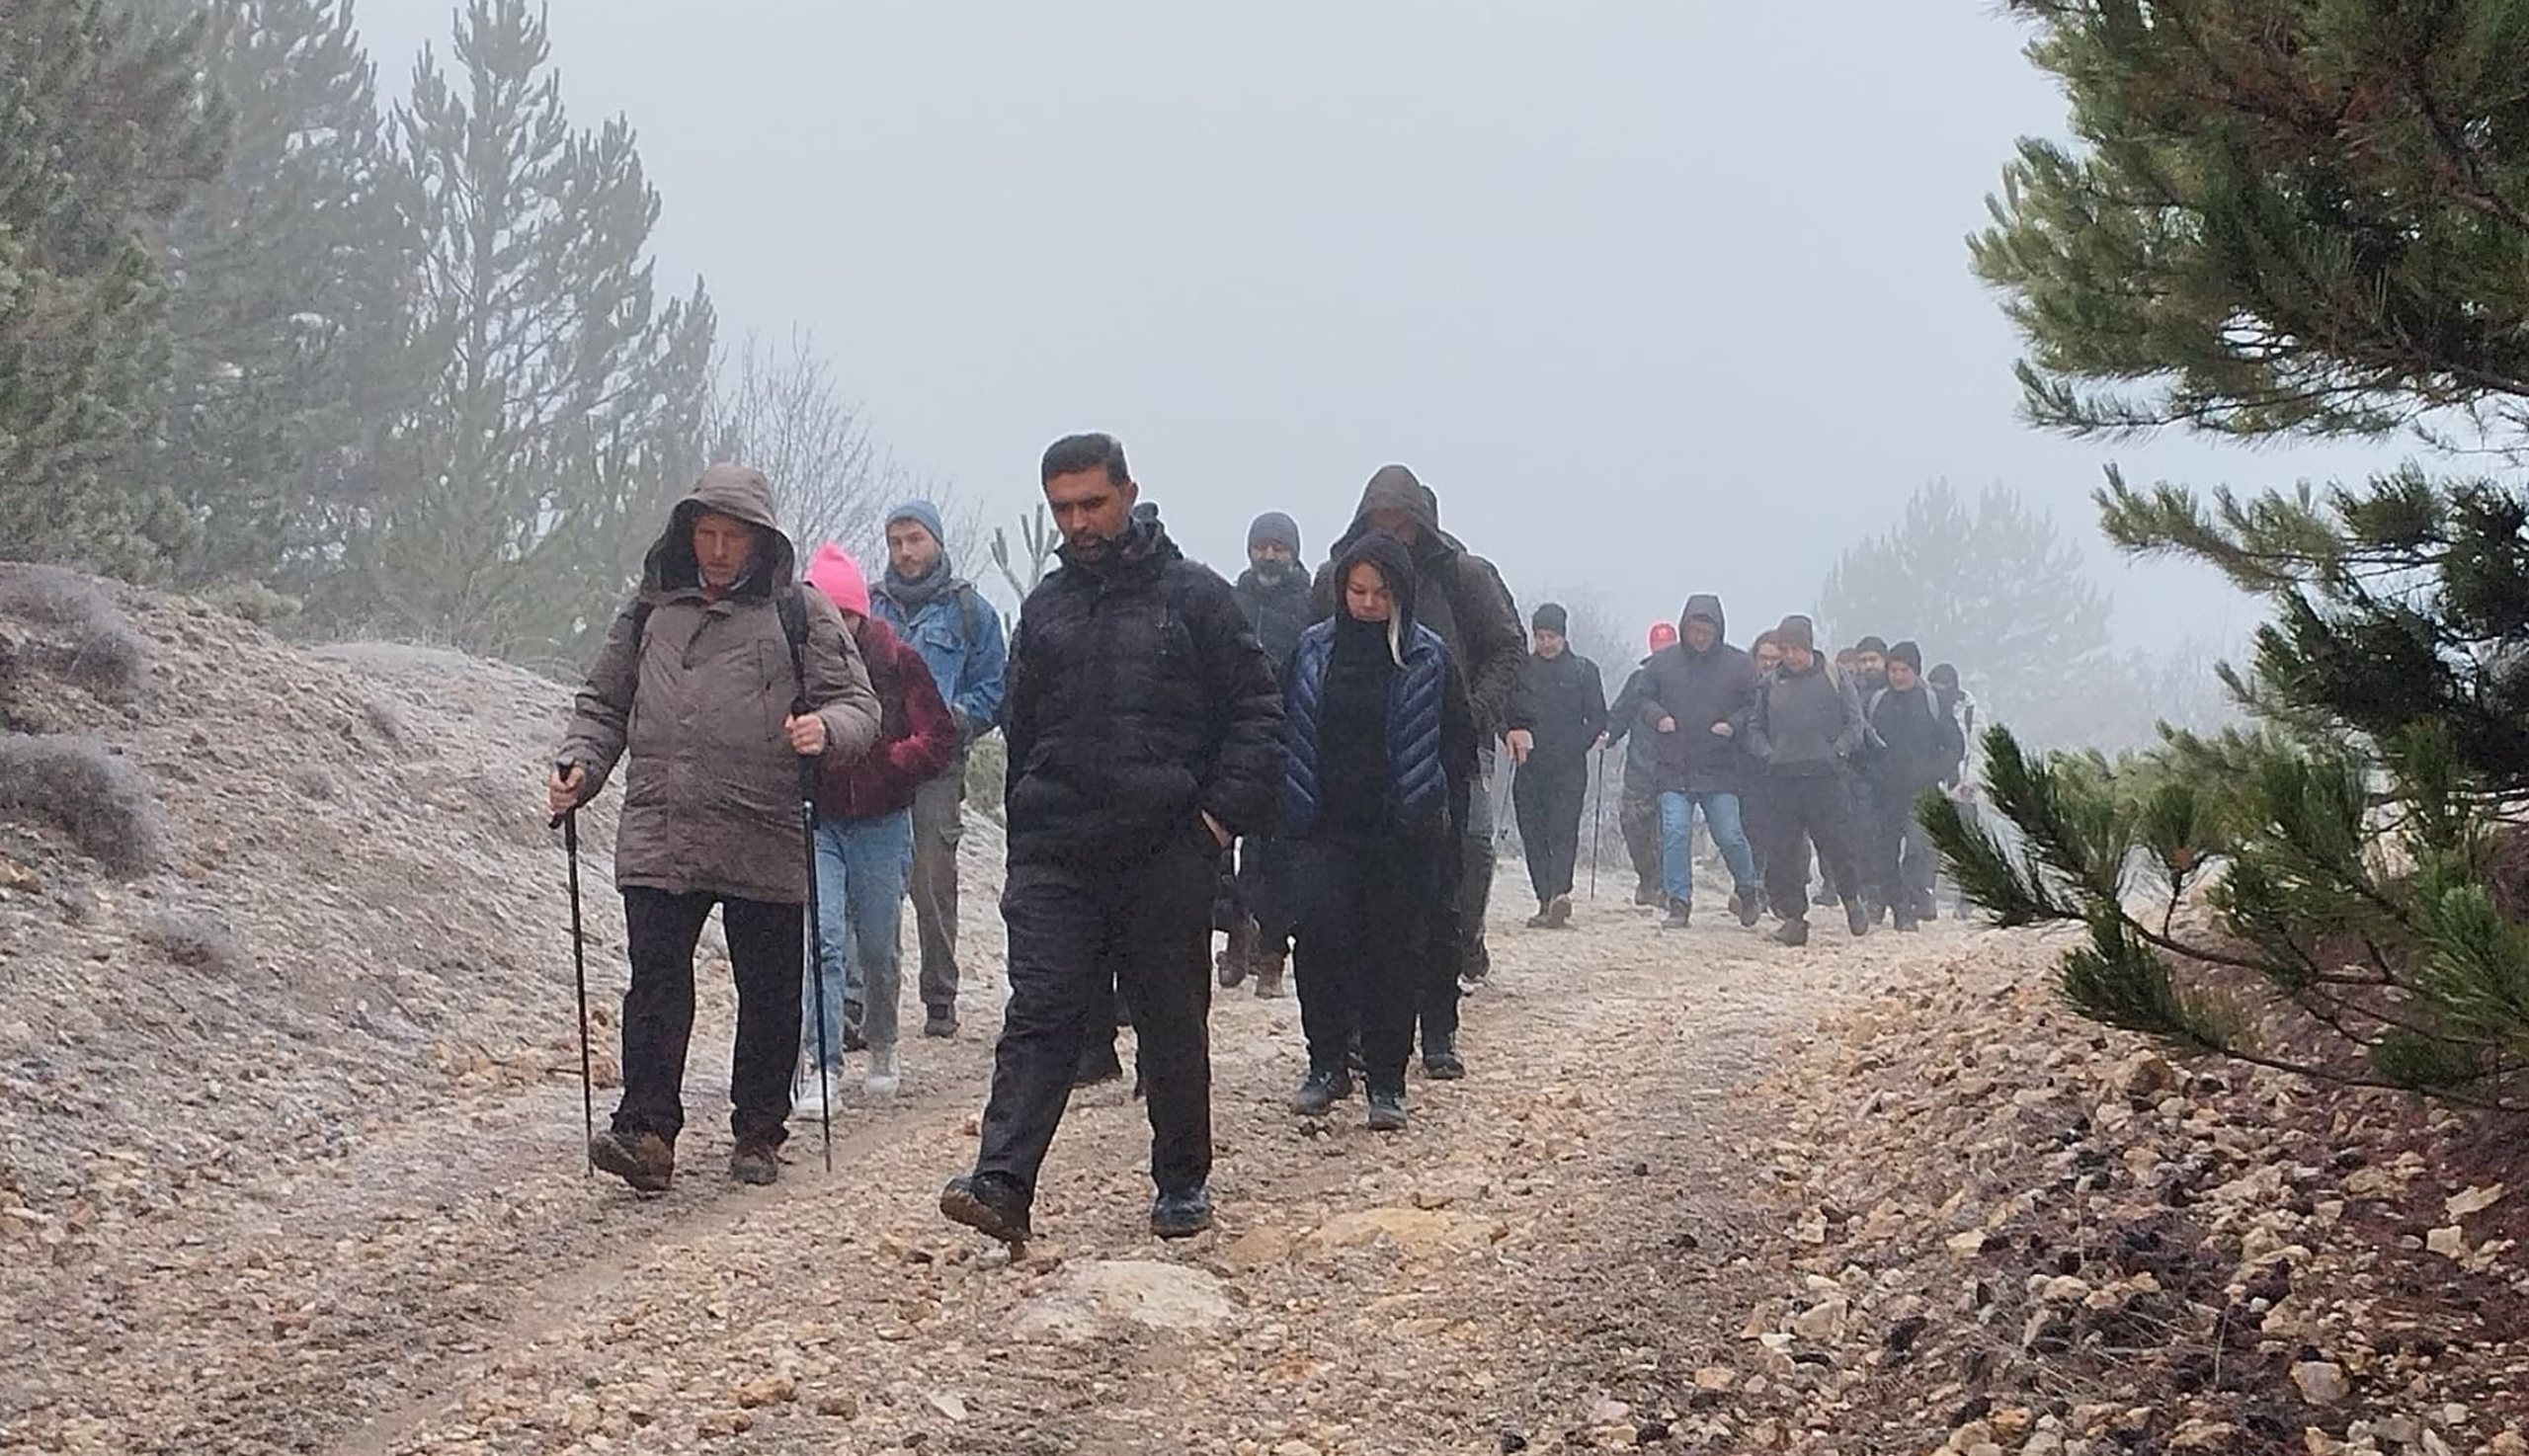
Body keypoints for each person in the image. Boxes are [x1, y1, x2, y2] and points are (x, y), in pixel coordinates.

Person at [940, 434, 1280, 1245]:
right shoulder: (1046, 609)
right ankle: (1002, 1181)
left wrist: (1216, 818)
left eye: (1091, 502)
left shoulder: (1196, 598)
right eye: (1062, 508)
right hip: (1060, 849)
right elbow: (1022, 732)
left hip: (1166, 844)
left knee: (1169, 1016)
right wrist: (1025, 835)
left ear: (1129, 492)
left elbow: (1259, 714)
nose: (1078, 521)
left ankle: (1181, 1182)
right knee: (1044, 1009)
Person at [550, 465, 882, 1192]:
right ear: (686, 533)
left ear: (762, 540)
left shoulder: (802, 612)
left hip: (762, 822)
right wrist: (580, 762)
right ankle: (645, 1132)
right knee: (657, 982)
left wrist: (826, 729)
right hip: (662, 824)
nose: (719, 550)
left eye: (733, 536)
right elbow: (603, 703)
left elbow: (859, 705)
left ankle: (759, 1130)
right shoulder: (648, 610)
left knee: (768, 989)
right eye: (707, 533)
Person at [1310, 464, 1526, 1077]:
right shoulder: (1337, 578)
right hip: (1356, 758)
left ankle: (1438, 1024)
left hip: (1451, 749)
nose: (1393, 533)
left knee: (1458, 871)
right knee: (1358, 901)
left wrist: (1472, 713)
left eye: (1402, 521)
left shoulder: (1463, 576)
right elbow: (1309, 658)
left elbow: (1506, 646)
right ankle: (1355, 1033)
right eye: (1381, 521)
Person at [1281, 531, 1478, 1130]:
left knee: (1393, 954)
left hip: (1402, 833)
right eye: (1357, 591)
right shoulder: (1312, 651)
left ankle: (1387, 1081)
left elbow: (1457, 745)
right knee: (1318, 945)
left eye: (1380, 594)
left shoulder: (1429, 657)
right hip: (1323, 825)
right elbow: (1286, 726)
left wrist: (1436, 816)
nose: (1367, 604)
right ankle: (1326, 1065)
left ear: (1402, 596)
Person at [798, 545, 958, 1106]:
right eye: (823, 613)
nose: (833, 626)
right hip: (819, 822)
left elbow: (940, 737)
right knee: (822, 942)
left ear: (861, 614)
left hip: (883, 823)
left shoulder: (898, 661)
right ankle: (821, 1065)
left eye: (842, 614)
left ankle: (884, 1040)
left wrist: (890, 762)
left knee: (878, 948)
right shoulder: (793, 662)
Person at [870, 499, 1009, 1043]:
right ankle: (862, 1005)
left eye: (914, 540)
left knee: (932, 880)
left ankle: (939, 998)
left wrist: (953, 720)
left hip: (937, 768)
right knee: (872, 882)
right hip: (875, 765)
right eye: (895, 541)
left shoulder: (970, 612)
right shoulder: (868, 607)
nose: (905, 552)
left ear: (937, 542)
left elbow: (994, 686)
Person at [1219, 510, 1312, 998]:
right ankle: (1236, 938)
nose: (1269, 555)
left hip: (1290, 742)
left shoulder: (1312, 604)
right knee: (1223, 852)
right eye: (1261, 546)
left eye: (1279, 546)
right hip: (1233, 740)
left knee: (1274, 855)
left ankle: (1272, 953)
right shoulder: (1231, 601)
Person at [1638, 595, 1763, 930]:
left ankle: (1748, 889)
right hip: (1673, 765)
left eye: (1707, 630)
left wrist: (1733, 725)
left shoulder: (1738, 664)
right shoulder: (1663, 664)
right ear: (1685, 627)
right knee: (1676, 833)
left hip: (1720, 766)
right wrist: (1658, 716)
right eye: (1695, 629)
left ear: (1718, 630)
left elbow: (1755, 705)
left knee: (1730, 835)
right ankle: (1679, 902)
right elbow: (1644, 697)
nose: (1701, 636)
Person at [1747, 615, 1870, 947]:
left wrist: (1837, 752)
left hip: (1826, 779)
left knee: (1837, 847)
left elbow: (1855, 724)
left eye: (1796, 648)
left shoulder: (1835, 676)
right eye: (1784, 649)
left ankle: (1851, 899)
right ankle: (1793, 919)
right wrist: (1767, 752)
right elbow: (1755, 726)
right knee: (1783, 854)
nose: (1790, 656)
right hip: (1783, 780)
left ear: (1810, 646)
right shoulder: (1770, 683)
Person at [1508, 603, 1606, 928]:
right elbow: (1504, 713)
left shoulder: (1583, 671)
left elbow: (1597, 718)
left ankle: (1561, 894)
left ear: (1563, 636)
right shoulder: (1520, 670)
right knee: (1533, 835)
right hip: (1528, 766)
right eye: (1540, 637)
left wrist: (1575, 745)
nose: (1546, 643)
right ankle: (1543, 899)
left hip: (1569, 767)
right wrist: (1510, 733)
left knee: (1563, 831)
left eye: (1551, 636)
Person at [1862, 641, 1964, 931]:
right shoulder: (1876, 702)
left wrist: (1936, 772)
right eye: (1893, 669)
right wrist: (1871, 772)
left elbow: (1954, 745)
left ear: (1916, 671)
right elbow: (1863, 743)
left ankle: (1914, 898)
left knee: (1918, 850)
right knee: (1885, 851)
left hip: (1923, 791)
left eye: (1904, 670)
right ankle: (1898, 906)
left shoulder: (1933, 704)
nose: (1898, 676)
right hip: (1884, 791)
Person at [1602, 621, 1679, 907]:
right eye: (1658, 650)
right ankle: (1647, 878)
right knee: (1633, 826)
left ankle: (1666, 887)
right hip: (1640, 770)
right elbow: (1620, 714)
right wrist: (1606, 734)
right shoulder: (1638, 681)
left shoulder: (1687, 683)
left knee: (1670, 832)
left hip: (1676, 771)